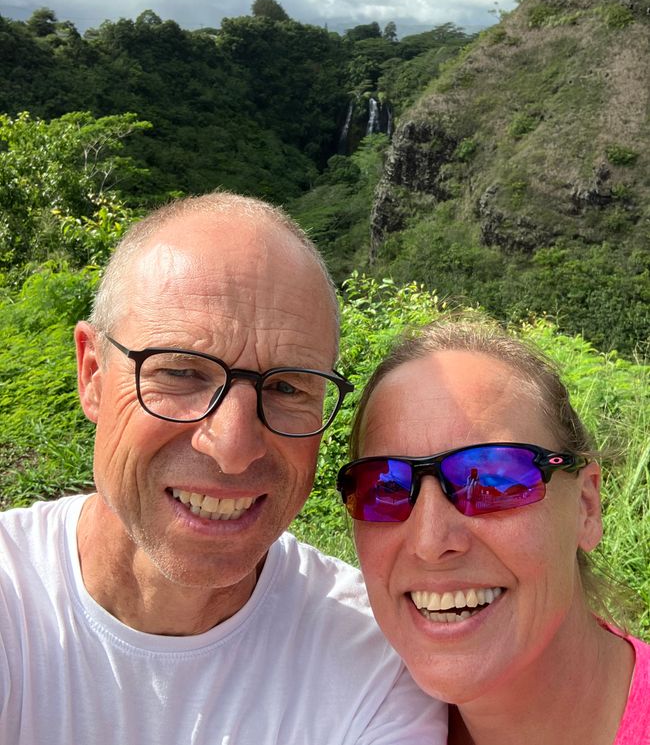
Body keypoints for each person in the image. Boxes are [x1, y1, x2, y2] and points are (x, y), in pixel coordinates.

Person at [0, 192, 447, 744]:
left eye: (286, 387)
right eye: (182, 373)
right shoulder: (11, 602)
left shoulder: (374, 667)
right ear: (92, 373)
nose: (233, 447)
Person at [337, 317, 650, 745]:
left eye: (491, 481)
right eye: (384, 487)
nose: (430, 542)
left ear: (586, 507)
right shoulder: (350, 713)